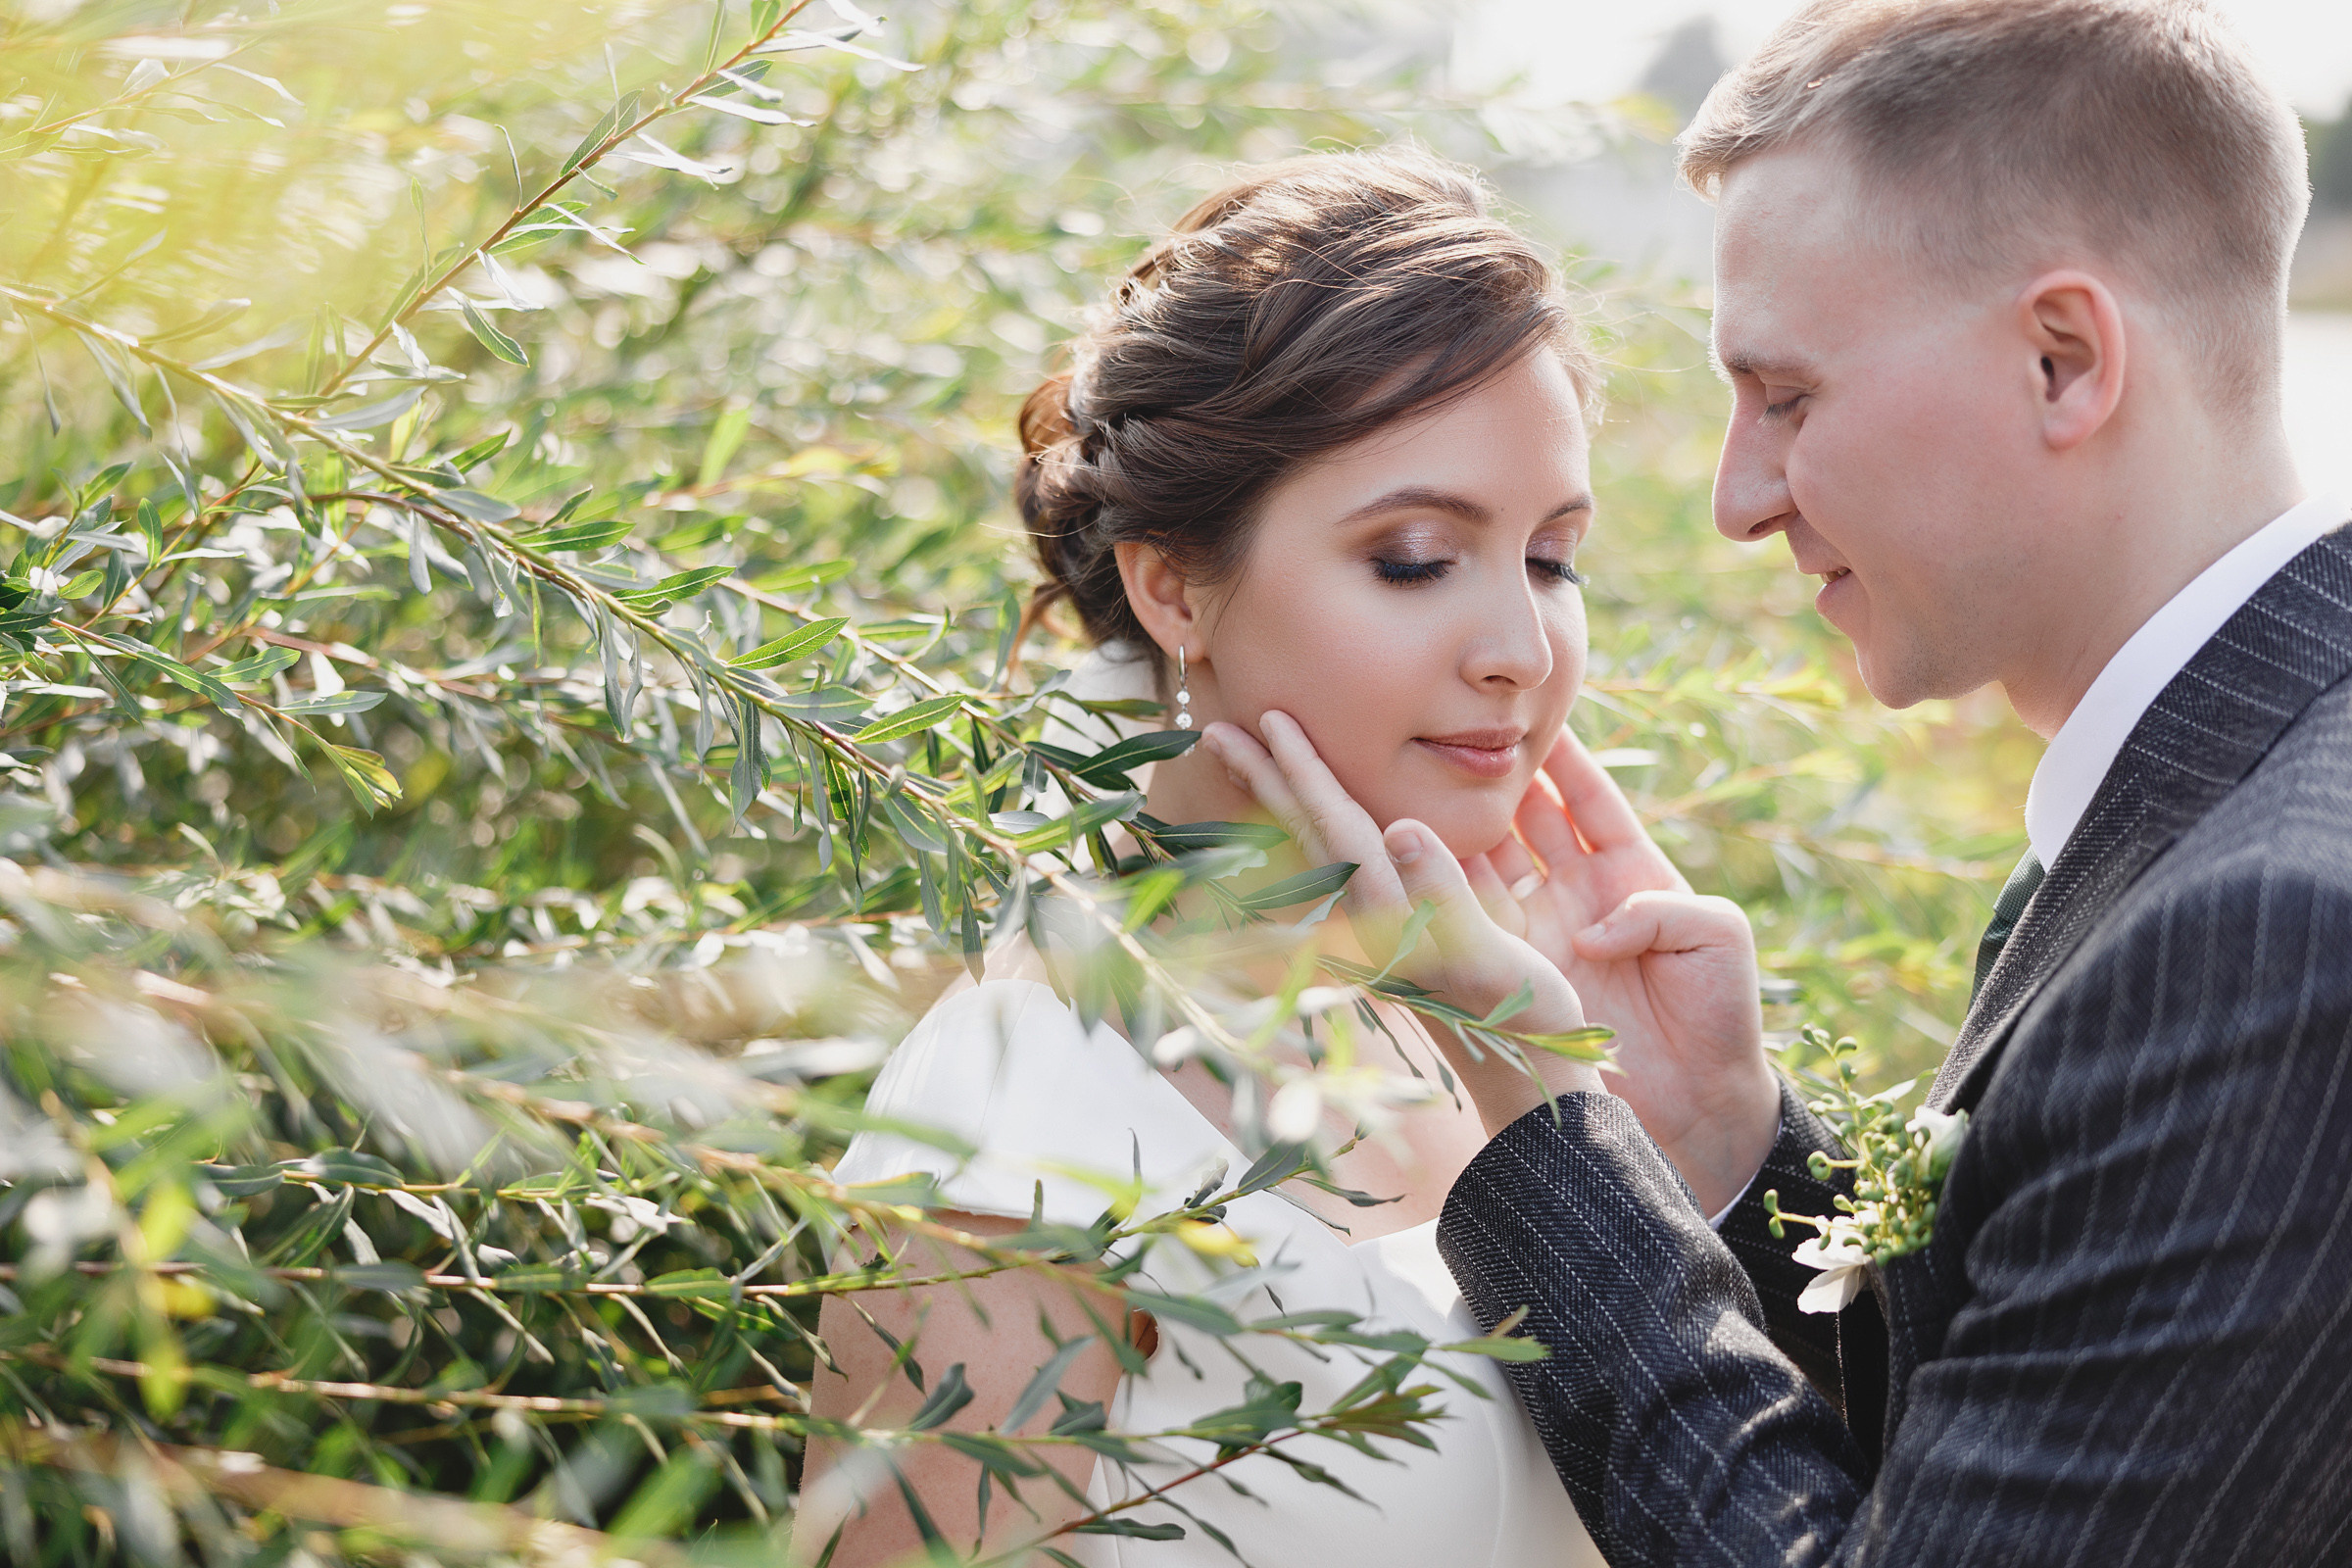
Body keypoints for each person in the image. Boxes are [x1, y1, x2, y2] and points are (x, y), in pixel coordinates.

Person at [1212, 2, 2352, 1564]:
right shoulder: (2226, 799)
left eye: (1791, 396)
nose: (1740, 499)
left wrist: (1549, 1132)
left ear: (2063, 358)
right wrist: (1742, 1155)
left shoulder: (2274, 936)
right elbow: (2058, 1439)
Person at [796, 149, 1761, 1566]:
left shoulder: (1542, 1030)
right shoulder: (1020, 1138)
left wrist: (1700, 1151)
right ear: (1174, 585)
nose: (1518, 652)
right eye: (1420, 557)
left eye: (1553, 561)